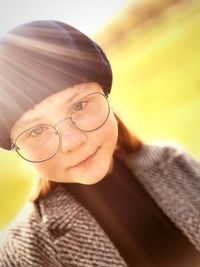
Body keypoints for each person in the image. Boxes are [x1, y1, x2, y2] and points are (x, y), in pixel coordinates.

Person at [0, 20, 200, 267]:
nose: (71, 143)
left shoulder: (175, 163)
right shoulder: (26, 255)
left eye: (80, 106)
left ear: (106, 96)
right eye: (37, 130)